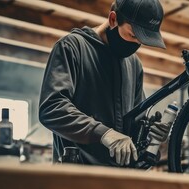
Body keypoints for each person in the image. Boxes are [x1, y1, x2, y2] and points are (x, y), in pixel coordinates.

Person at [39, 0, 170, 167]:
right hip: (76, 178)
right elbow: (52, 108)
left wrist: (151, 136)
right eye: (133, 35)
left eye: (142, 41)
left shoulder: (134, 65)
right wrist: (104, 133)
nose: (136, 44)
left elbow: (134, 126)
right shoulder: (72, 47)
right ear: (113, 19)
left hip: (118, 182)